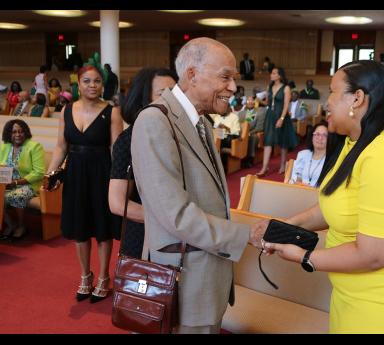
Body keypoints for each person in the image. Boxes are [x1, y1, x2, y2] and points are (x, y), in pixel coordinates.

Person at [256, 60, 384, 333]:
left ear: (357, 98)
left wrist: (304, 256)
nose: (326, 102)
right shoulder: (356, 140)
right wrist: (282, 227)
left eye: (332, 91)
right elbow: (334, 207)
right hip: (353, 292)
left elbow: (376, 254)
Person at [131, 37, 265, 334]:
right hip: (183, 280)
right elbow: (175, 214)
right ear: (192, 75)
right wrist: (244, 235)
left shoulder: (200, 121)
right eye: (225, 76)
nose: (232, 87)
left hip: (206, 276)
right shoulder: (155, 121)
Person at [45, 65, 124, 303]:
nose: (92, 85)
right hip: (76, 173)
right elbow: (61, 146)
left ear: (103, 84)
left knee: (102, 228)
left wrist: (117, 182)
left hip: (102, 172)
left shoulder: (112, 112)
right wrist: (51, 173)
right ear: (78, 84)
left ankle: (103, 277)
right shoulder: (66, 110)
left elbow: (116, 150)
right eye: (87, 81)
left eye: (97, 81)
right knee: (80, 228)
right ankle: (85, 275)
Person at [109, 67, 178, 259]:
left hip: (182, 235)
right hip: (145, 233)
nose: (172, 101)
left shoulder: (181, 134)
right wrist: (169, 221)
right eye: (162, 94)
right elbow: (117, 202)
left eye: (175, 93)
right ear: (144, 99)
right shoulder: (129, 139)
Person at [0, 120, 45, 240]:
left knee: (16, 196)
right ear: (9, 134)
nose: (18, 134)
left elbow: (39, 172)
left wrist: (15, 182)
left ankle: (21, 226)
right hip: (6, 185)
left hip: (29, 185)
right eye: (14, 132)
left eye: (21, 131)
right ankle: (11, 224)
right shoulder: (5, 146)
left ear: (25, 132)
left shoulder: (34, 147)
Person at [256, 67, 298, 176]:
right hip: (270, 116)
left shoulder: (286, 88)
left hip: (282, 116)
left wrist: (282, 118)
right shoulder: (269, 87)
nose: (271, 74)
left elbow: (286, 105)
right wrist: (259, 100)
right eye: (272, 73)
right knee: (268, 141)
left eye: (274, 73)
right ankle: (264, 168)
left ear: (279, 75)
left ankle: (283, 165)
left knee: (283, 142)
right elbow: (269, 103)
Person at [289, 122, 328, 186]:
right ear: (312, 136)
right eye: (317, 134)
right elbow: (296, 178)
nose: (320, 138)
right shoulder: (303, 154)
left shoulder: (331, 160)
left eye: (324, 135)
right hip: (300, 192)